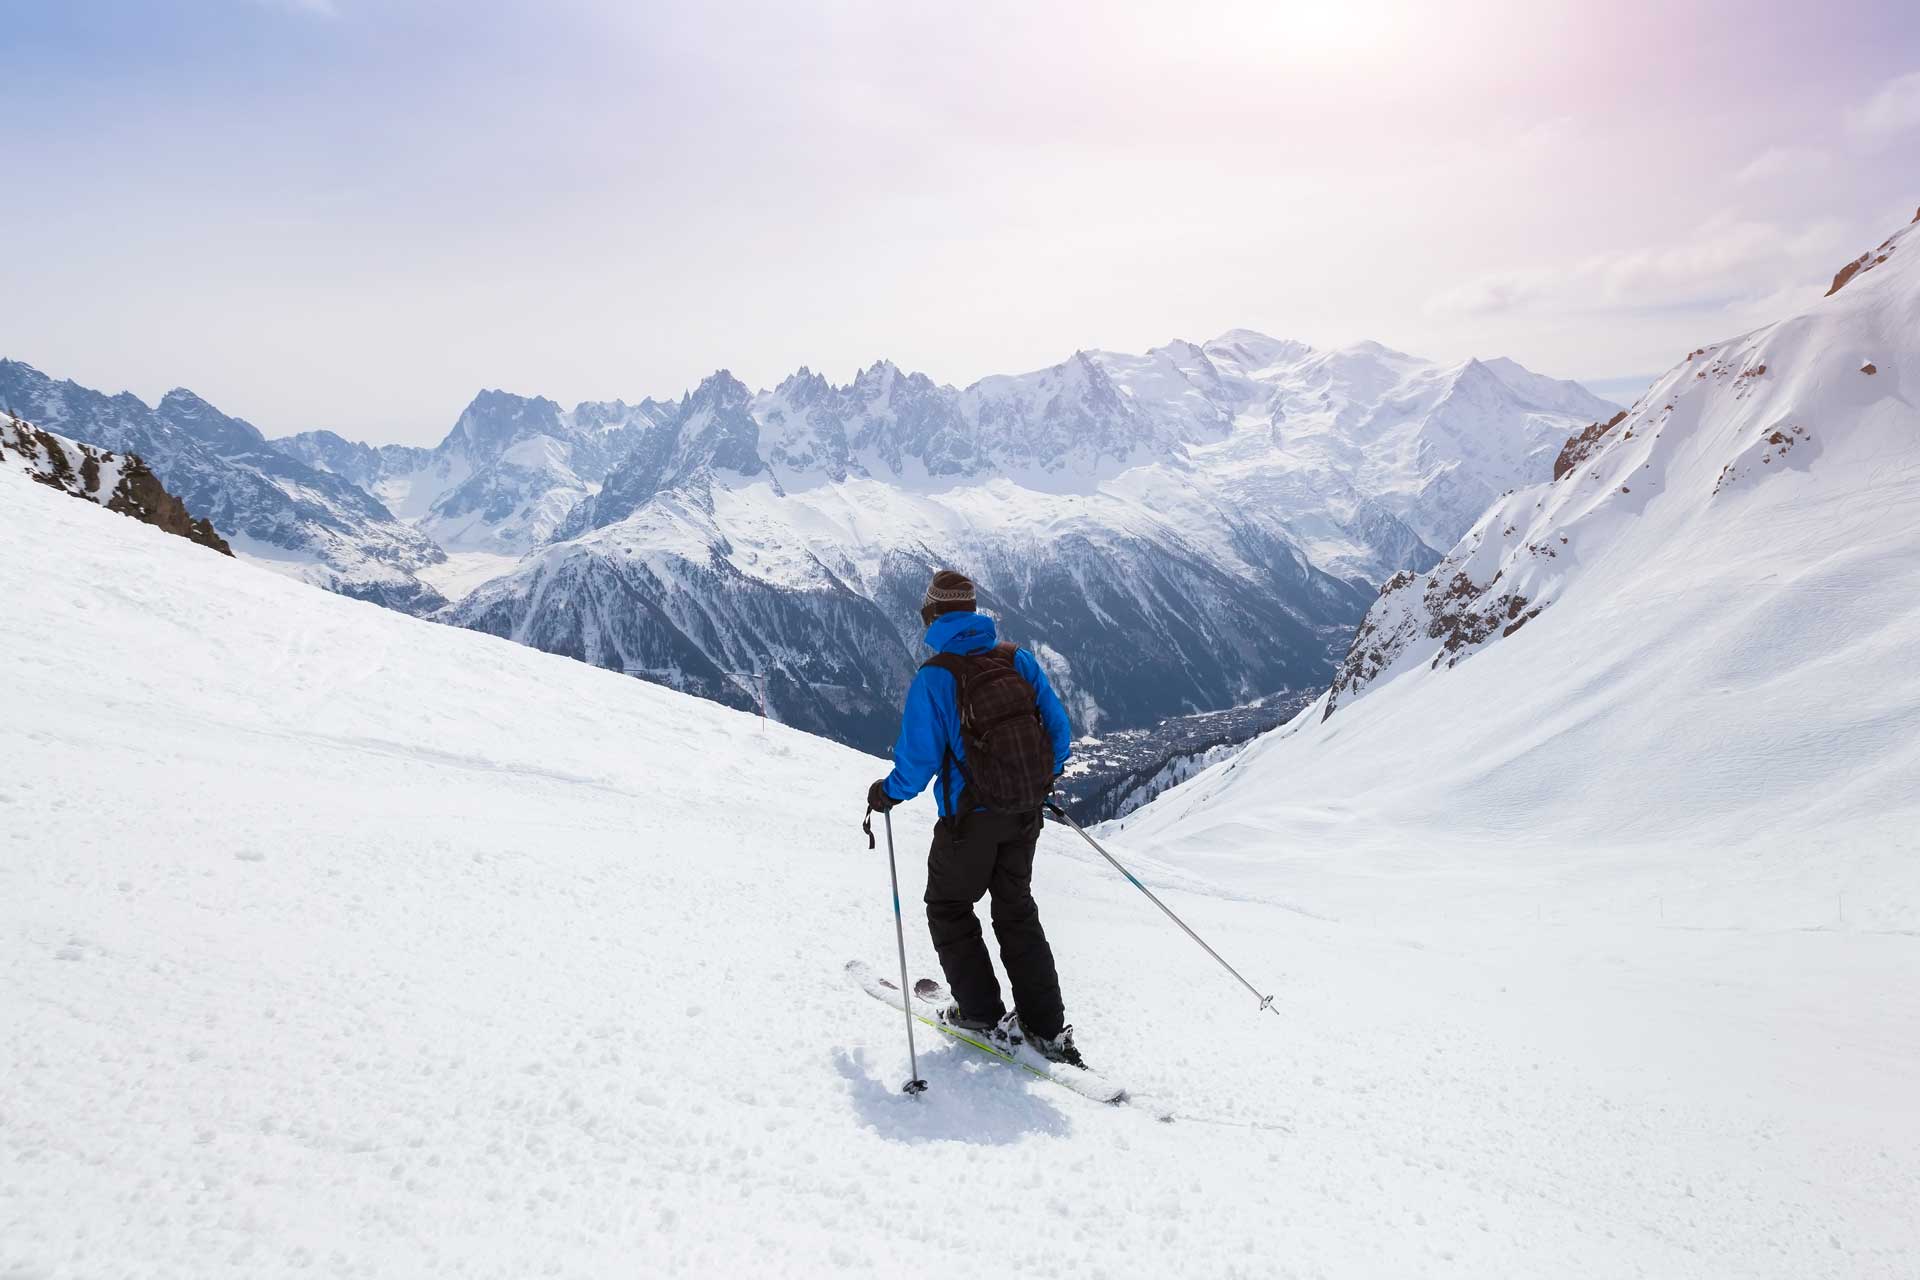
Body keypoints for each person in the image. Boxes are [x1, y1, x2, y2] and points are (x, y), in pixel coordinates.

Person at [864, 569, 1082, 1066]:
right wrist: (1036, 783)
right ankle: (1047, 1028)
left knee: (948, 906)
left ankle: (981, 1013)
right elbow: (1059, 732)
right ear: (972, 609)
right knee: (1016, 911)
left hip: (970, 820)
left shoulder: (937, 676)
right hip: (1025, 813)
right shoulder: (1016, 658)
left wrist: (886, 795)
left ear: (933, 614)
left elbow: (918, 763)